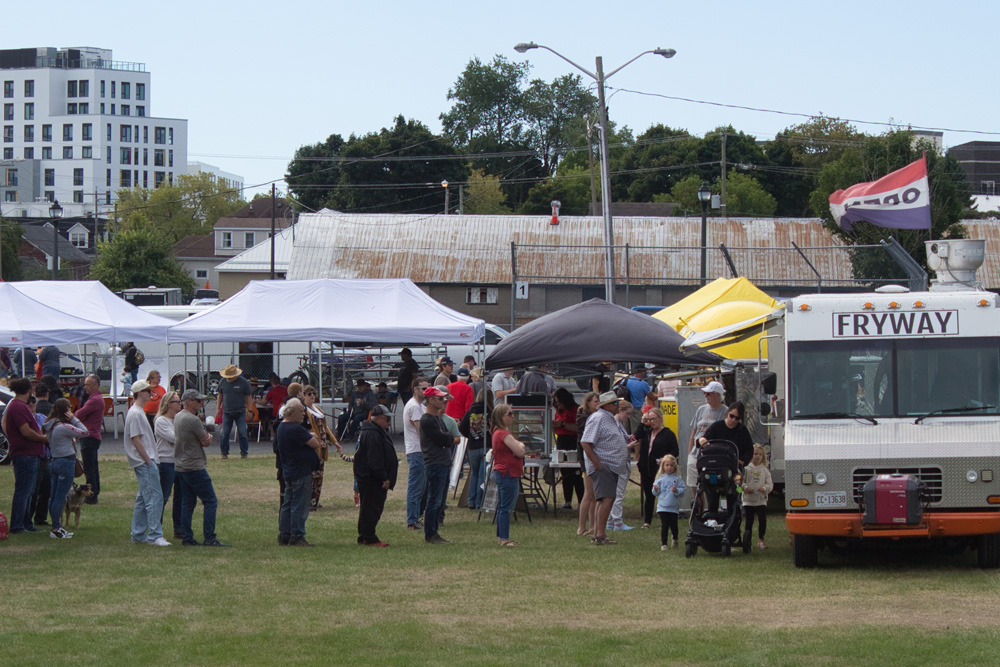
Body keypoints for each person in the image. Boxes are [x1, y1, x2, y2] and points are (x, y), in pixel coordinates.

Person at [174, 389, 229, 547]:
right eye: (198, 401)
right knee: (210, 500)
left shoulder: (178, 416)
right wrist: (208, 436)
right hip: (194, 465)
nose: (201, 403)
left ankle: (186, 537)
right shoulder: (192, 419)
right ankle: (209, 537)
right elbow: (206, 441)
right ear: (189, 402)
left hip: (181, 464)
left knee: (187, 502)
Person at [580, 391, 630, 546]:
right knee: (606, 499)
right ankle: (600, 535)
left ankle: (597, 533)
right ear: (606, 405)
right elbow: (586, 442)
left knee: (605, 499)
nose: (618, 405)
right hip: (604, 464)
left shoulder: (610, 419)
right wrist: (597, 464)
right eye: (615, 403)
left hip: (612, 465)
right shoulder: (598, 418)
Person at [124, 380, 170, 546]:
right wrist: (148, 461)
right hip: (144, 461)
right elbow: (136, 440)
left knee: (143, 498)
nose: (151, 393)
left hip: (145, 460)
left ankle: (137, 533)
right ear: (139, 393)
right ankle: (155, 535)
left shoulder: (138, 412)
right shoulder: (136, 414)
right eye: (148, 391)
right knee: (153, 497)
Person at [3, 378, 48, 534]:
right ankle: (17, 525)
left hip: (28, 454)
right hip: (25, 454)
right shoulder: (18, 407)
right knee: (23, 491)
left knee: (28, 491)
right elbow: (26, 431)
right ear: (29, 391)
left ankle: (26, 524)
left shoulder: (18, 406)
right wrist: (43, 439)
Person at [276, 398, 322, 546]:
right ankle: (297, 535)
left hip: (289, 471)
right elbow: (315, 443)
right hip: (300, 472)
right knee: (299, 505)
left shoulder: (282, 427)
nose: (304, 414)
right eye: (301, 411)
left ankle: (285, 534)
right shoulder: (295, 428)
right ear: (292, 412)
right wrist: (311, 436)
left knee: (288, 503)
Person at [43, 398, 89, 539]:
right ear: (65, 410)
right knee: (60, 497)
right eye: (69, 408)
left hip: (55, 461)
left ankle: (55, 526)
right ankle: (56, 528)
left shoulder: (49, 425)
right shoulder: (62, 427)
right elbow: (85, 432)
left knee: (54, 496)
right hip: (65, 462)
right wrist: (74, 419)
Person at [354, 404, 398, 546]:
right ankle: (369, 537)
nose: (389, 422)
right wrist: (384, 477)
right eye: (387, 419)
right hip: (372, 479)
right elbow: (375, 459)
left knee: (368, 507)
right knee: (372, 508)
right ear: (378, 418)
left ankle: (364, 535)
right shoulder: (373, 434)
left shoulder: (374, 431)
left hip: (368, 477)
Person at [634, 408, 680, 528]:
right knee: (649, 494)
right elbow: (635, 437)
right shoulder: (646, 432)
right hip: (646, 468)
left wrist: (665, 459)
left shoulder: (668, 434)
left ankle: (667, 520)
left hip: (660, 469)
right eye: (649, 419)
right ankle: (647, 521)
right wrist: (642, 423)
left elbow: (675, 451)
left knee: (664, 494)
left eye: (653, 419)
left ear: (660, 419)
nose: (651, 422)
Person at [420, 385, 454, 544]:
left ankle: (434, 531)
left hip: (442, 462)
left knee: (439, 500)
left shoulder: (437, 419)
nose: (443, 401)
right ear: (431, 400)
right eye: (440, 399)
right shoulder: (427, 420)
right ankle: (430, 533)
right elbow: (444, 439)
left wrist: (447, 437)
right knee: (434, 500)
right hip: (435, 463)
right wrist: (447, 438)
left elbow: (448, 437)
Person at [491, 403, 526, 547]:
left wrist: (519, 445)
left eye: (512, 413)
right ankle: (504, 539)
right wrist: (521, 446)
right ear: (501, 417)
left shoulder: (498, 432)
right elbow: (520, 451)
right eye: (509, 414)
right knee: (506, 508)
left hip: (502, 472)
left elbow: (517, 446)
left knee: (502, 506)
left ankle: (502, 536)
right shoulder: (503, 434)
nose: (512, 416)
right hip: (508, 473)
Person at [302, 385, 342, 511]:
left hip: (323, 446)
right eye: (309, 394)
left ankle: (315, 500)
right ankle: (309, 502)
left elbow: (325, 427)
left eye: (313, 393)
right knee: (312, 475)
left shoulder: (317, 409)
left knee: (319, 476)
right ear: (303, 396)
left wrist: (334, 441)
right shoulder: (304, 411)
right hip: (313, 446)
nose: (312, 396)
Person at [686, 381, 727, 499]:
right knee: (694, 485)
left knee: (710, 485)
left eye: (708, 394)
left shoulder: (725, 412)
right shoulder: (701, 409)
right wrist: (690, 452)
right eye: (705, 394)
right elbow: (694, 432)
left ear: (718, 395)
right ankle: (698, 507)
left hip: (712, 454)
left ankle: (711, 507)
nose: (706, 396)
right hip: (696, 453)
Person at [403, 377, 430, 530]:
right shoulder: (414, 406)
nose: (426, 391)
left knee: (421, 487)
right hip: (416, 451)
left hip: (418, 451)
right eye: (424, 388)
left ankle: (415, 518)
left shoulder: (419, 406)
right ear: (415, 389)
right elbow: (421, 432)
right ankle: (412, 521)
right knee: (415, 487)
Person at [154, 391, 182, 532]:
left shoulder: (179, 420)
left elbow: (181, 439)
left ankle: (179, 528)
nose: (180, 404)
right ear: (169, 404)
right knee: (163, 496)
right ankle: (156, 528)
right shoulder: (161, 421)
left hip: (179, 462)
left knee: (180, 497)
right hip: (166, 462)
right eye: (177, 402)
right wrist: (181, 439)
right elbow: (175, 439)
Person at [459, 389, 491, 510]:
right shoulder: (490, 412)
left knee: (474, 474)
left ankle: (471, 501)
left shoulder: (470, 411)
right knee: (483, 474)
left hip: (473, 447)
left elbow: (462, 427)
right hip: (486, 446)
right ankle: (479, 502)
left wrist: (471, 436)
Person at [75, 374, 104, 504]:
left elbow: (78, 414)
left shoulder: (94, 400)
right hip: (93, 436)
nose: (85, 387)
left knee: (89, 468)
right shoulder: (96, 398)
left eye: (88, 385)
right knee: (93, 467)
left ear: (96, 385)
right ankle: (94, 492)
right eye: (85, 385)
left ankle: (91, 495)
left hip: (89, 436)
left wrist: (78, 416)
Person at [551, 388, 582, 510]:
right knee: (565, 472)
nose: (558, 405)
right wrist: (553, 426)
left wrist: (563, 424)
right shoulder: (559, 411)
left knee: (576, 472)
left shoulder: (576, 409)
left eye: (559, 402)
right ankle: (567, 500)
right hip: (561, 440)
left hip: (573, 440)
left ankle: (581, 500)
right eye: (556, 402)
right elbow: (556, 428)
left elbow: (578, 427)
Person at [216, 364, 254, 459]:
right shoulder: (223, 381)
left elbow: (249, 396)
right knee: (224, 433)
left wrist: (250, 410)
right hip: (227, 411)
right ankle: (224, 452)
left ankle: (244, 452)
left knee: (242, 433)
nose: (229, 378)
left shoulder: (243, 382)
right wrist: (218, 409)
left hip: (240, 411)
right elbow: (220, 395)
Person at [699, 401, 754, 466]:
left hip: (733, 464)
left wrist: (743, 460)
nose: (733, 420)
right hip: (715, 463)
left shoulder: (742, 430)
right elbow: (704, 441)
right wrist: (702, 440)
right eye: (731, 416)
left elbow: (749, 449)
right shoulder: (716, 426)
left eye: (737, 418)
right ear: (728, 412)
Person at [575, 391, 600, 536]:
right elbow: (584, 439)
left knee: (595, 494)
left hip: (595, 454)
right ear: (589, 403)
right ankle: (581, 526)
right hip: (586, 456)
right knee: (589, 493)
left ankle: (592, 526)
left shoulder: (598, 416)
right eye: (595, 401)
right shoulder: (584, 418)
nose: (598, 404)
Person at [607, 402, 635, 531]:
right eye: (627, 413)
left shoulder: (619, 424)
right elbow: (615, 444)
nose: (628, 416)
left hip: (622, 460)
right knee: (618, 493)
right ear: (620, 410)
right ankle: (617, 521)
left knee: (615, 492)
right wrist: (628, 445)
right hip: (619, 461)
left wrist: (630, 438)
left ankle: (610, 521)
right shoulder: (615, 424)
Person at [651, 454, 686, 549]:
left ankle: (675, 538)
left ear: (675, 467)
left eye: (671, 465)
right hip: (662, 507)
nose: (669, 467)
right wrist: (656, 489)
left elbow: (683, 491)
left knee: (674, 525)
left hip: (673, 507)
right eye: (667, 465)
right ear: (663, 466)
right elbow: (655, 493)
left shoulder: (677, 479)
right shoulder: (660, 479)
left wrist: (677, 490)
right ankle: (664, 544)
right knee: (665, 525)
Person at [742, 444, 773, 550]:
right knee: (749, 520)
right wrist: (746, 488)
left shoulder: (765, 470)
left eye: (760, 454)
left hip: (761, 500)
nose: (757, 456)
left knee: (762, 520)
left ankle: (761, 539)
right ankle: (748, 541)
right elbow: (739, 484)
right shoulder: (746, 469)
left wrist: (764, 488)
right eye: (755, 454)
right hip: (748, 500)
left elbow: (770, 485)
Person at [624, 366, 652, 433]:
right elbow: (651, 397)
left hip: (625, 407)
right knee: (636, 429)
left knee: (626, 429)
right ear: (642, 373)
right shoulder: (643, 383)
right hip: (636, 409)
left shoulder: (626, 380)